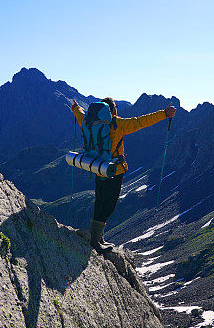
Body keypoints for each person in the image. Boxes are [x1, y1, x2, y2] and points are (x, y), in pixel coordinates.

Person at [71, 97, 177, 253]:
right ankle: (95, 240)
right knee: (108, 205)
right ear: (112, 109)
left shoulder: (88, 121)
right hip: (114, 170)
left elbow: (80, 115)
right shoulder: (117, 124)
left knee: (100, 200)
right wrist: (164, 114)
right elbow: (141, 121)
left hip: (97, 167)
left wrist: (75, 108)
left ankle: (97, 236)